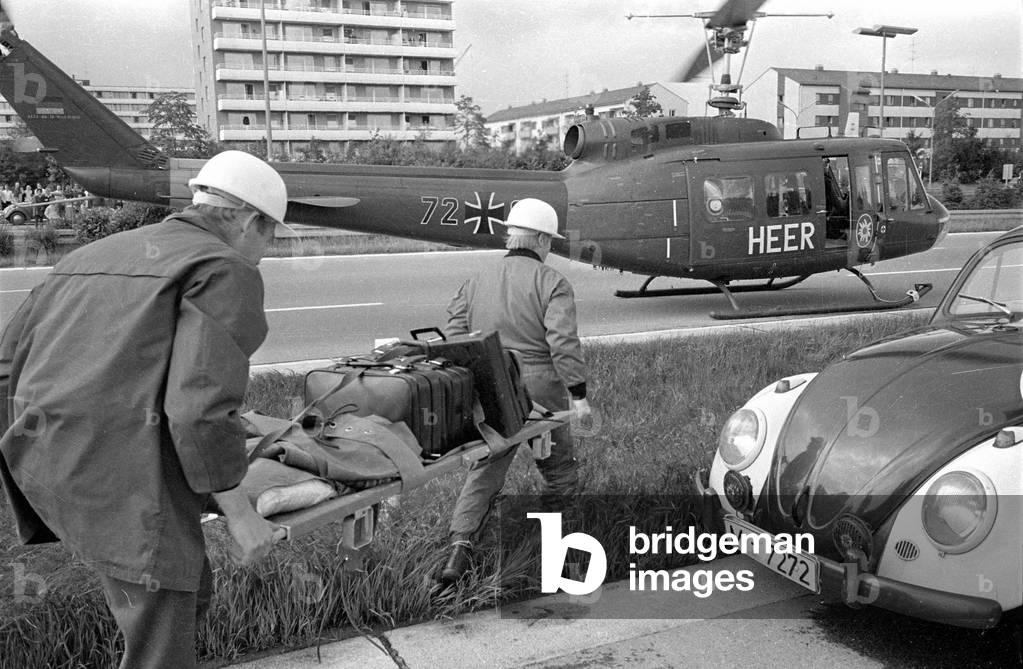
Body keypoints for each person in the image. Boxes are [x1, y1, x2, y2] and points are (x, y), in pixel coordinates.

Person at [0, 150, 288, 669]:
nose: (266, 254)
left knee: (182, 593)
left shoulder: (93, 253)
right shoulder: (224, 267)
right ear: (250, 221)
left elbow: (7, 364)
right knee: (161, 639)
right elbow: (199, 408)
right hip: (124, 479)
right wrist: (241, 516)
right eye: (271, 237)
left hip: (47, 462)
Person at [437, 197, 592, 585]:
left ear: (512, 237)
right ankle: (566, 562)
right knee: (559, 473)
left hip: (493, 392)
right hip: (542, 394)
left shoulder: (476, 281)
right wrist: (578, 395)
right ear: (540, 240)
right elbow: (562, 343)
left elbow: (455, 339)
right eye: (550, 241)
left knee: (485, 471)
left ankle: (458, 553)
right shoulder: (552, 282)